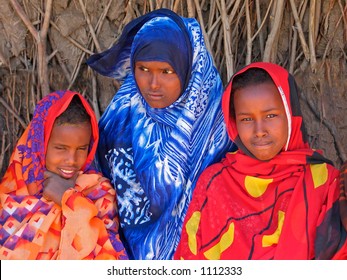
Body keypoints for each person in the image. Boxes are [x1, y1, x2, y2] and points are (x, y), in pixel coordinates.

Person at [86, 8, 235, 260]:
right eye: (143, 69)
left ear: (188, 68)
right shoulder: (120, 118)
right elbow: (96, 190)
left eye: (166, 72)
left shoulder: (216, 124)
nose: (153, 84)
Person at [174, 62, 347, 260]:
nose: (259, 131)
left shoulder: (324, 183)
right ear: (233, 122)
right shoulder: (215, 184)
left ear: (291, 115)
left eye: (271, 115)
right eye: (246, 119)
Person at [0, 90, 128, 260]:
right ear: (41, 142)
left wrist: (68, 200)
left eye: (81, 149)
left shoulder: (98, 192)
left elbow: (111, 256)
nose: (71, 160)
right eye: (61, 148)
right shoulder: (15, 187)